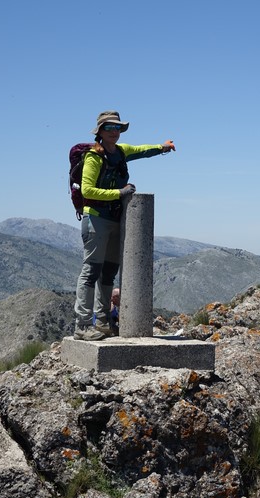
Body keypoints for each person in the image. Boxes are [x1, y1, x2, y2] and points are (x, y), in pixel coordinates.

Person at [74, 111, 175, 340]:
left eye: (118, 128)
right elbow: (87, 190)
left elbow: (141, 151)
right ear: (100, 131)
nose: (114, 132)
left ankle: (102, 322)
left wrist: (162, 147)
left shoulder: (120, 152)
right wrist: (119, 192)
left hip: (115, 219)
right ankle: (82, 325)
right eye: (109, 128)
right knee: (91, 271)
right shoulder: (93, 157)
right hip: (96, 218)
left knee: (108, 272)